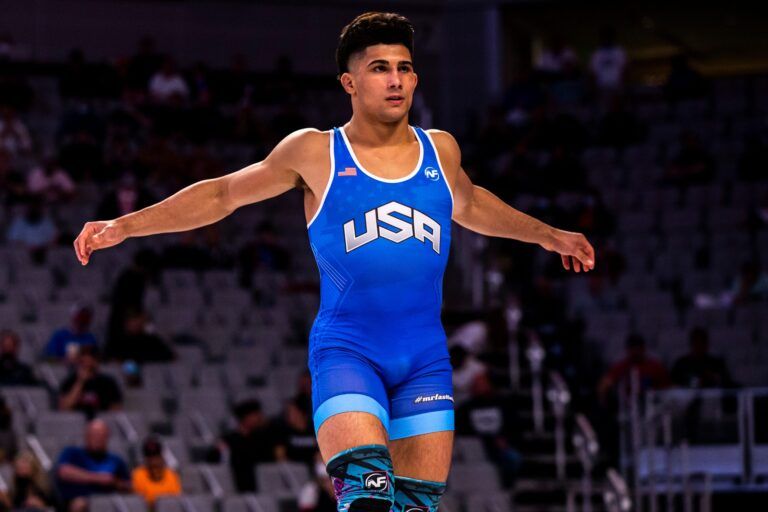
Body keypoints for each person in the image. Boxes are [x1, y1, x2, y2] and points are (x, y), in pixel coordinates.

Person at [73, 12, 595, 512]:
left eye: (404, 68)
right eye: (380, 68)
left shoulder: (441, 150)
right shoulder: (315, 152)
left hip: (425, 360)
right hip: (349, 353)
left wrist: (550, 236)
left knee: (413, 509)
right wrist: (126, 225)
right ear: (349, 82)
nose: (396, 80)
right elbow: (222, 194)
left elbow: (473, 203)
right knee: (368, 497)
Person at [456, 373, 522, 486]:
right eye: (475, 385)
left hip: (499, 446)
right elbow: (460, 429)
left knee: (513, 458)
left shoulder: (503, 404)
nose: (478, 387)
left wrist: (506, 440)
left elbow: (514, 426)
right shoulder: (465, 408)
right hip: (474, 447)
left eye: (481, 384)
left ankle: (507, 487)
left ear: (489, 385)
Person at [55, 419, 131, 512]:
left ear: (107, 437)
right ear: (86, 436)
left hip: (109, 500)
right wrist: (98, 478)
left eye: (101, 435)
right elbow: (63, 472)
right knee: (79, 504)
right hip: (79, 500)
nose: (97, 438)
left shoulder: (115, 460)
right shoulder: (73, 453)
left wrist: (114, 482)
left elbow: (128, 485)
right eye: (94, 435)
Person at [218, 399, 278, 493]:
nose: (260, 418)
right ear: (245, 418)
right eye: (256, 415)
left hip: (263, 486)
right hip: (238, 485)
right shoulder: (229, 440)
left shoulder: (263, 438)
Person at [58, 346, 123, 418]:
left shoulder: (108, 383)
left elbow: (116, 410)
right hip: (74, 420)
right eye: (83, 363)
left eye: (90, 363)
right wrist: (80, 382)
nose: (87, 366)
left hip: (101, 421)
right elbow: (65, 408)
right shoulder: (69, 381)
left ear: (97, 362)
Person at [131, 437, 182, 506]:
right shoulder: (138, 475)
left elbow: (177, 501)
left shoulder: (171, 475)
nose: (153, 460)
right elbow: (140, 504)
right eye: (149, 456)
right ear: (145, 459)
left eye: (156, 455)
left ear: (162, 457)